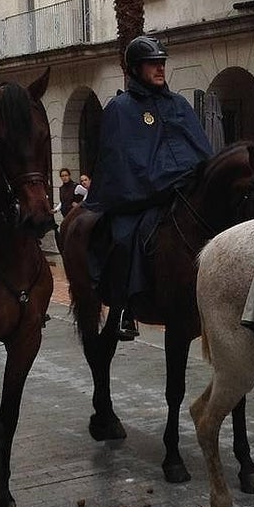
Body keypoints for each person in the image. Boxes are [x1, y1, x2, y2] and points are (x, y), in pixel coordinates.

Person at [85, 35, 213, 339]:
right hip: (140, 198)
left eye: (161, 63)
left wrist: (199, 178)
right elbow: (119, 160)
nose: (159, 68)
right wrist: (157, 185)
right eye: (152, 63)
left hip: (184, 192)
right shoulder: (120, 108)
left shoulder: (179, 104)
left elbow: (200, 150)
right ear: (135, 68)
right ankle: (123, 308)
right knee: (125, 236)